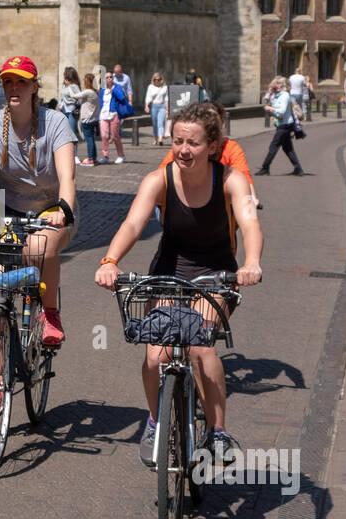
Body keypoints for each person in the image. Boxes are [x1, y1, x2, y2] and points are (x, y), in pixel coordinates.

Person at [95, 102, 263, 466]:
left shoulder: (232, 180)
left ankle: (217, 432)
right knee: (157, 354)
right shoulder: (159, 179)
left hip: (215, 273)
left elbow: (250, 225)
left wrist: (251, 263)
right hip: (169, 272)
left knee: (201, 346)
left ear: (213, 146)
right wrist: (110, 260)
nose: (184, 150)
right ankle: (155, 420)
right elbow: (132, 224)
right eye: (178, 141)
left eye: (194, 143)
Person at [0, 55, 76, 348]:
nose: (14, 88)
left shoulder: (55, 122)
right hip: (7, 213)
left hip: (50, 210)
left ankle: (49, 313)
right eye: (8, 82)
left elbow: (68, 178)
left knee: (38, 248)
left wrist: (64, 209)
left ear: (34, 87)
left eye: (21, 81)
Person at [159, 102, 261, 210]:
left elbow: (243, 173)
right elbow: (164, 173)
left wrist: (251, 197)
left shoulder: (231, 148)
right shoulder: (183, 150)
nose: (184, 150)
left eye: (213, 120)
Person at [255, 76, 305, 177]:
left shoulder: (285, 95)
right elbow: (271, 106)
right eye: (275, 83)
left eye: (278, 83)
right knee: (287, 148)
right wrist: (270, 93)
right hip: (281, 124)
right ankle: (298, 169)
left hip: (286, 125)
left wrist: (270, 109)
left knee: (273, 146)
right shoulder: (276, 95)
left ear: (283, 86)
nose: (276, 84)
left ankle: (265, 168)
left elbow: (281, 112)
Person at [96, 74, 127, 164]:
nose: (109, 79)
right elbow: (100, 102)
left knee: (115, 136)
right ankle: (105, 156)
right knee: (104, 136)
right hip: (103, 115)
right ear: (104, 80)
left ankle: (121, 155)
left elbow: (121, 98)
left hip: (114, 114)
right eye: (107, 77)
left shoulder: (117, 87)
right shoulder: (102, 90)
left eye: (111, 77)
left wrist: (113, 91)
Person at [78, 73, 100, 165]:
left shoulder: (88, 92)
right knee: (92, 139)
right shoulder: (96, 92)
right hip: (94, 119)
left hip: (87, 119)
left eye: (84, 80)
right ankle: (94, 158)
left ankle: (90, 159)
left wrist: (70, 87)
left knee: (89, 139)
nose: (83, 81)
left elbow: (74, 95)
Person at [60, 67, 83, 148]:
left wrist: (76, 105)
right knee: (64, 133)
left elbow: (80, 98)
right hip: (64, 110)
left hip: (72, 111)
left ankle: (75, 154)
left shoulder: (74, 86)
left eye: (65, 74)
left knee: (72, 133)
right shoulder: (64, 86)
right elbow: (62, 98)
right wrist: (60, 104)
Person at [145, 72, 168, 146]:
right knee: (155, 124)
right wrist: (146, 105)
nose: (157, 81)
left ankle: (160, 139)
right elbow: (148, 97)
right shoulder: (150, 87)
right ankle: (155, 138)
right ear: (153, 80)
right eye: (156, 80)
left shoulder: (165, 87)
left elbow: (166, 99)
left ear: (161, 79)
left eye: (159, 79)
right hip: (154, 106)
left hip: (162, 106)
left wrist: (167, 109)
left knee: (160, 123)